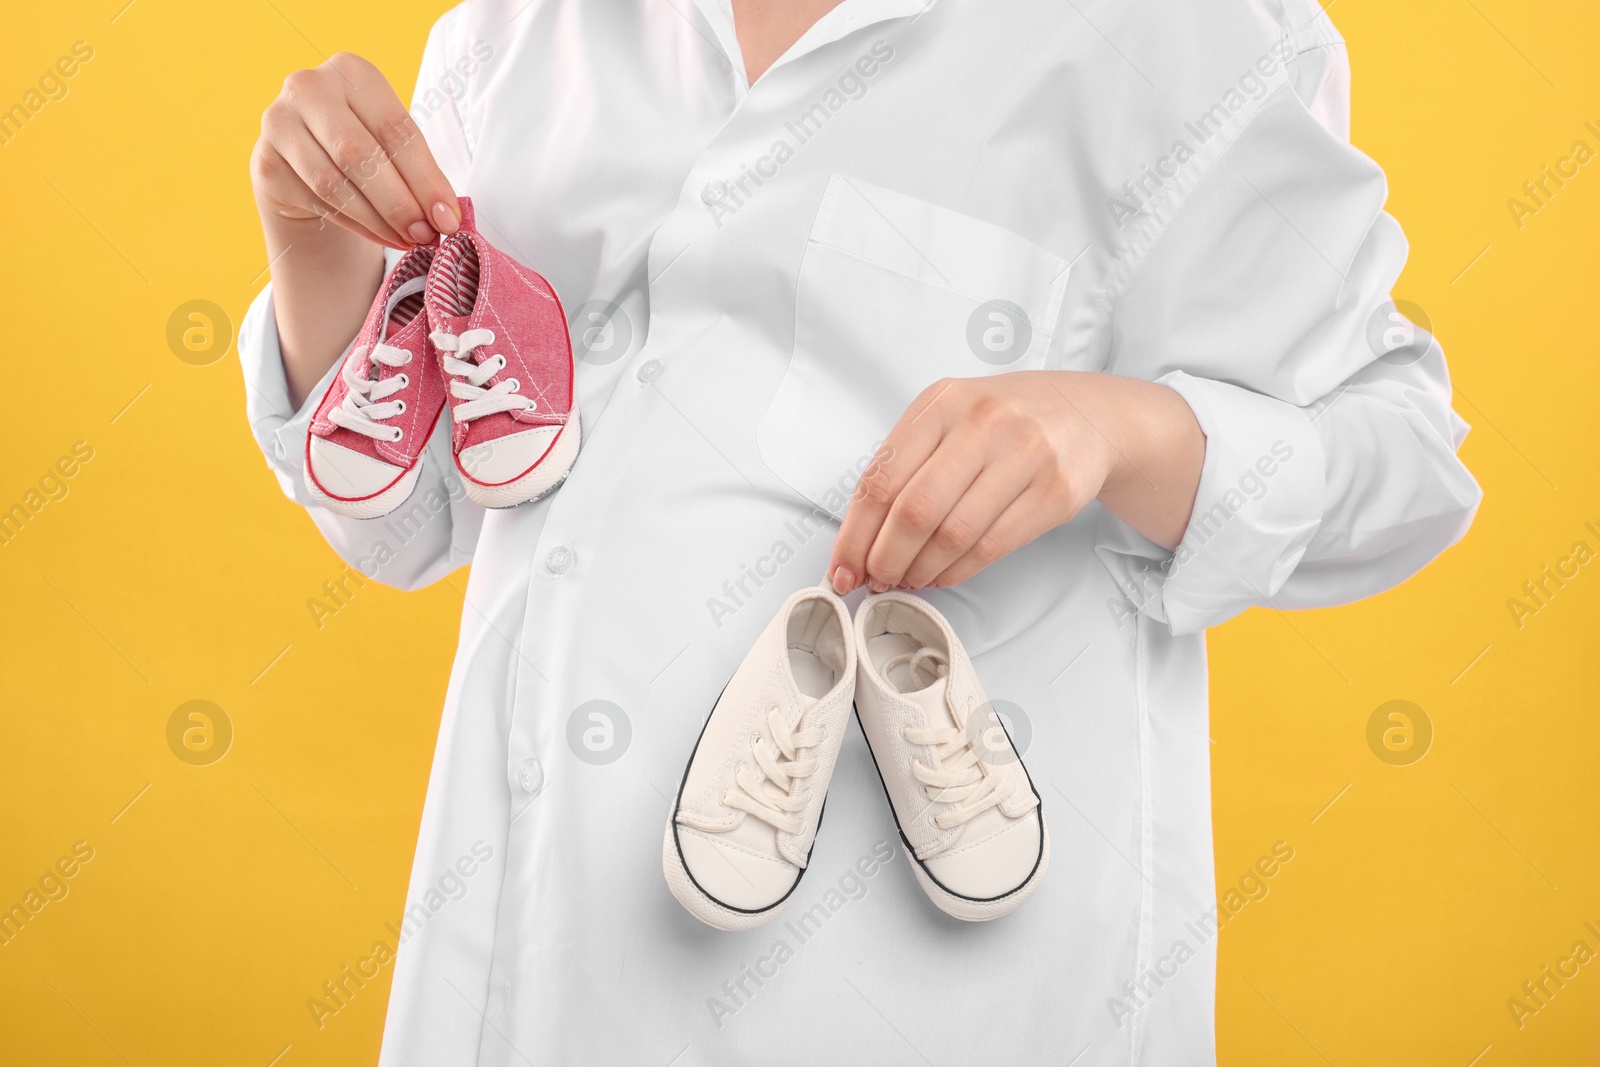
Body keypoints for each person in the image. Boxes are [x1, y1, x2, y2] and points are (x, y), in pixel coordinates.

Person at [241, 0, 1481, 1062]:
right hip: (527, 959)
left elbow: (1407, 460)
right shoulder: (527, 28)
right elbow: (411, 525)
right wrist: (316, 251)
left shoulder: (1175, 32)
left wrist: (1121, 430)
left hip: (915, 987)